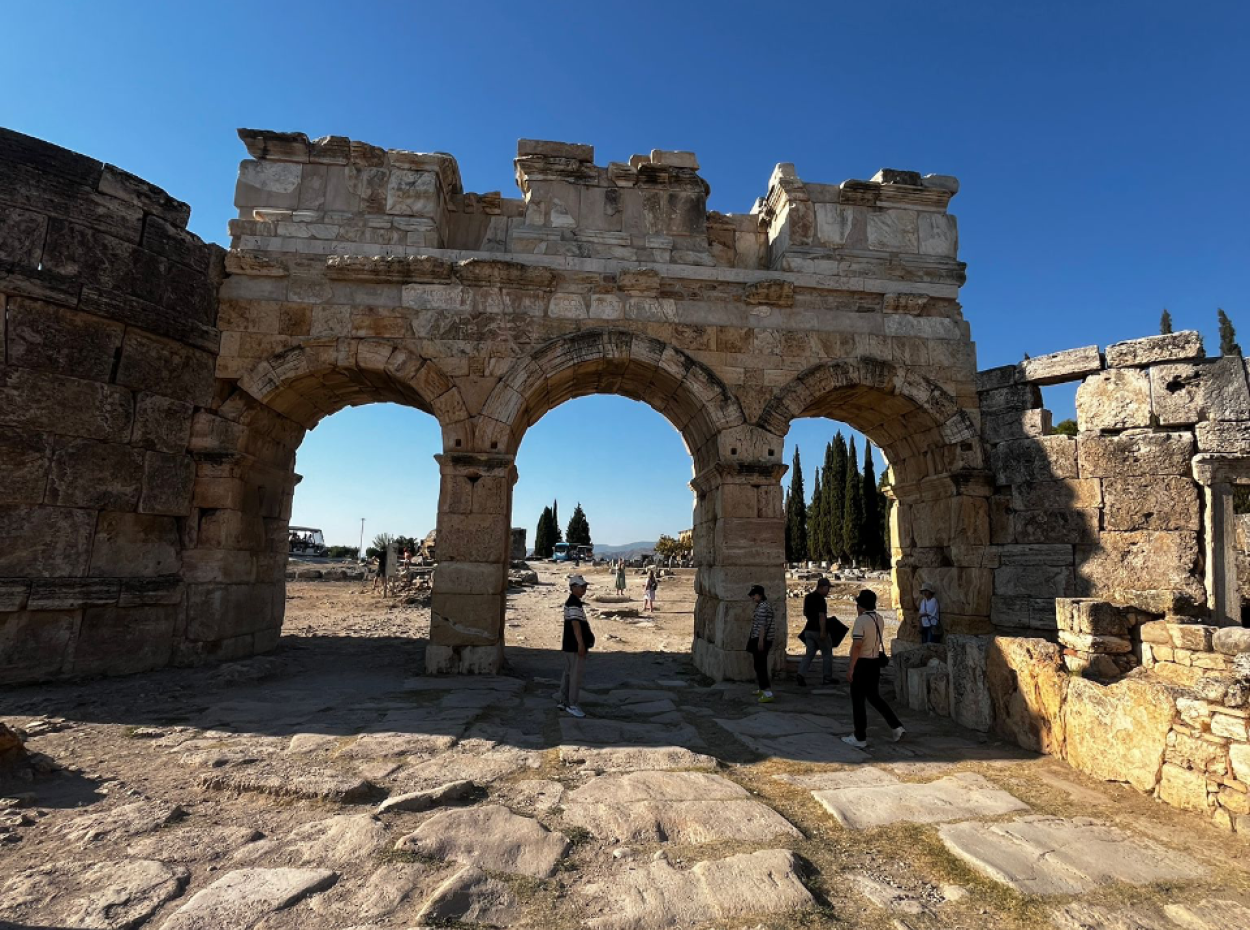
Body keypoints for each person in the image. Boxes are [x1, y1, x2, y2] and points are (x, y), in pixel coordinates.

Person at [841, 589, 905, 748]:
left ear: (860, 605)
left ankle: (860, 737)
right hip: (874, 662)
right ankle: (896, 726)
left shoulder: (861, 621)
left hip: (862, 663)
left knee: (858, 701)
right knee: (874, 697)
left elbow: (857, 646)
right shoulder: (879, 618)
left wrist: (851, 668)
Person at [557, 573, 595, 718]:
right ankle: (572, 704)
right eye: (581, 586)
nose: (584, 589)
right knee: (575, 675)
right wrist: (581, 644)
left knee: (568, 673)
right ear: (573, 588)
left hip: (569, 644)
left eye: (585, 586)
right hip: (574, 645)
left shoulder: (573, 601)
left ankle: (563, 701)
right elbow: (575, 624)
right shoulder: (574, 603)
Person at [796, 577, 844, 686]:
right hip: (818, 630)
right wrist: (823, 631)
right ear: (821, 587)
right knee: (827, 653)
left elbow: (805, 613)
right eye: (827, 588)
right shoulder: (821, 599)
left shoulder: (808, 597)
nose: (828, 591)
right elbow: (822, 616)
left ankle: (801, 674)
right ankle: (827, 678)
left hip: (808, 630)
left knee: (809, 654)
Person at [747, 584, 776, 703]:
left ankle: (767, 692)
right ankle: (762, 688)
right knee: (758, 664)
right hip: (760, 638)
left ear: (760, 595)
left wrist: (760, 640)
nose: (752, 597)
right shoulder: (762, 605)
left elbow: (762, 625)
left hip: (762, 639)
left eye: (754, 595)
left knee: (761, 665)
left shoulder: (763, 607)